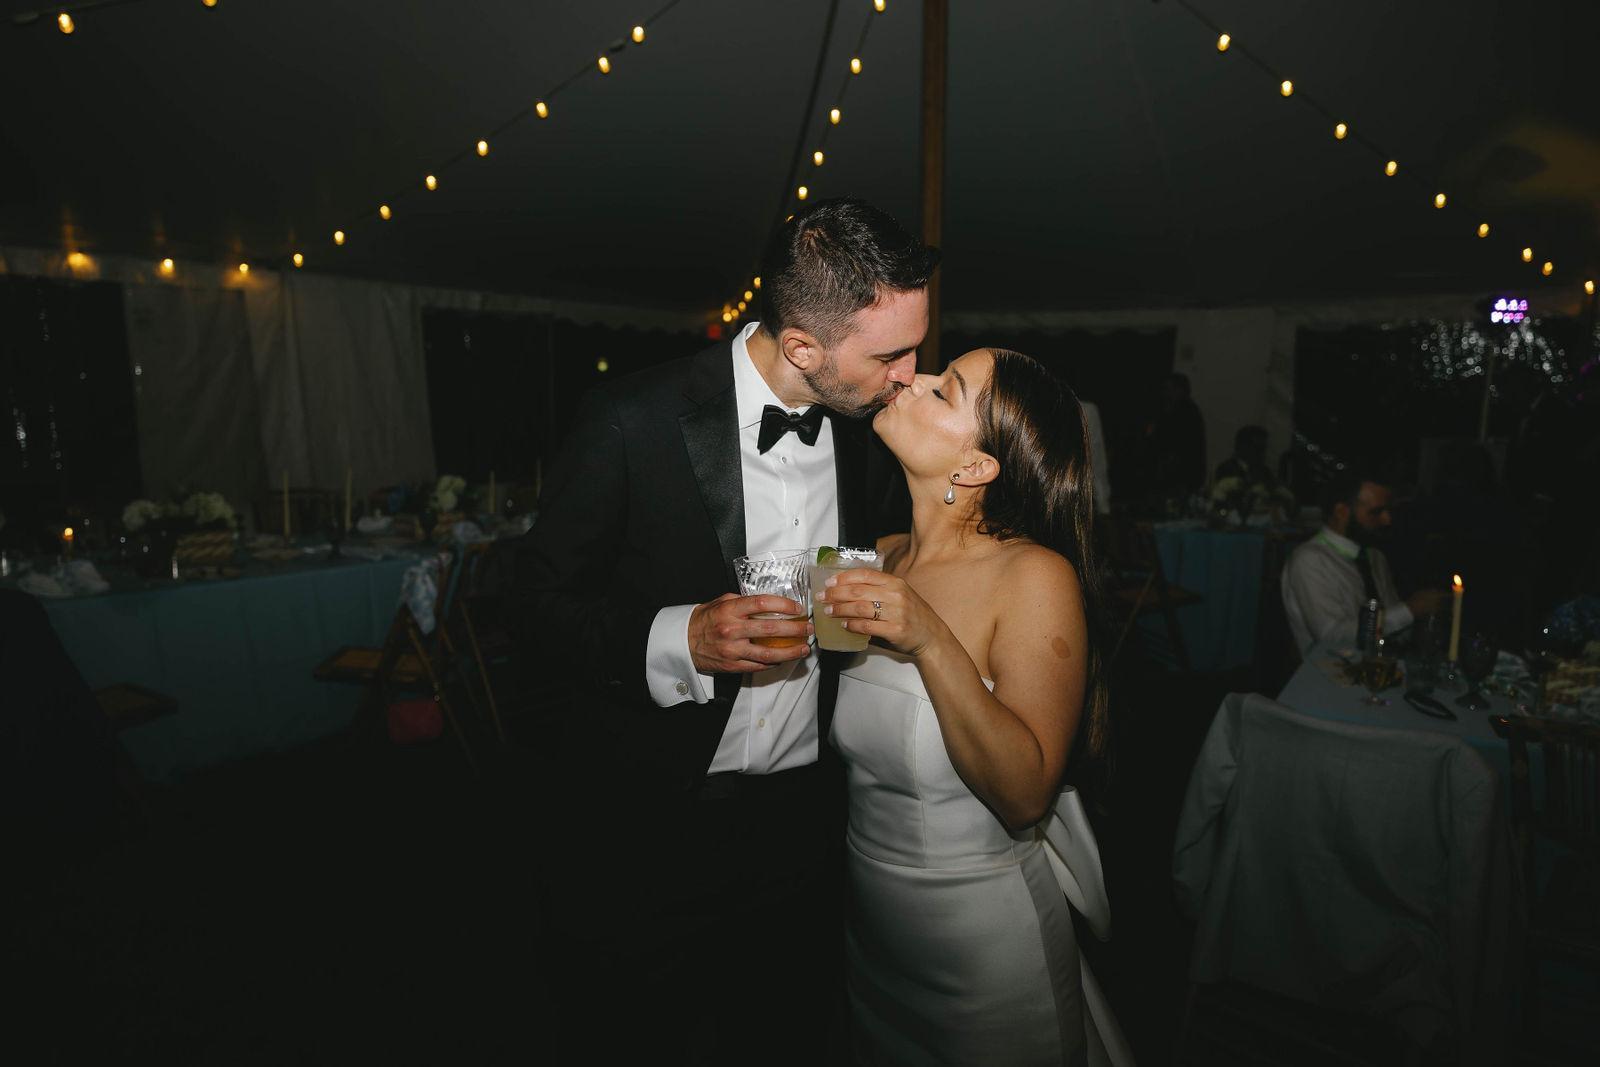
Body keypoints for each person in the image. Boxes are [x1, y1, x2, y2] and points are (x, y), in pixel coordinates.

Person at [514, 198, 934, 1062]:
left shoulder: (867, 434)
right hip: (652, 824)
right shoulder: (629, 420)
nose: (910, 375)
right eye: (890, 355)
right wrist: (680, 639)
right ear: (803, 348)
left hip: (804, 827)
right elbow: (533, 605)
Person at [818, 348, 1132, 1064]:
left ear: (975, 466)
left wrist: (929, 636)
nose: (912, 379)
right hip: (871, 926)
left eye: (944, 389)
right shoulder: (875, 557)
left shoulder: (1033, 576)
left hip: (982, 946)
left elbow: (1025, 796)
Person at [1281, 470, 1449, 654]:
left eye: (1388, 511)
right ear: (1341, 512)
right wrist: (1410, 610)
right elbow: (1331, 636)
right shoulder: (1310, 559)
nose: (1387, 520)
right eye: (1376, 512)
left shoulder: (1373, 556)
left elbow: (1394, 624)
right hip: (1330, 668)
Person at [1149, 371, 1206, 500]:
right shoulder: (1167, 410)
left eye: (1169, 389)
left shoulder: (1187, 412)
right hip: (1170, 472)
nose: (1165, 393)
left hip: (1181, 473)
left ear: (1180, 390)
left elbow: (1182, 444)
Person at [1213, 424, 1278, 491]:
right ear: (1243, 446)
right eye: (1257, 448)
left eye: (1263, 448)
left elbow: (1274, 488)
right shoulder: (1226, 469)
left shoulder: (1265, 471)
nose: (1262, 453)